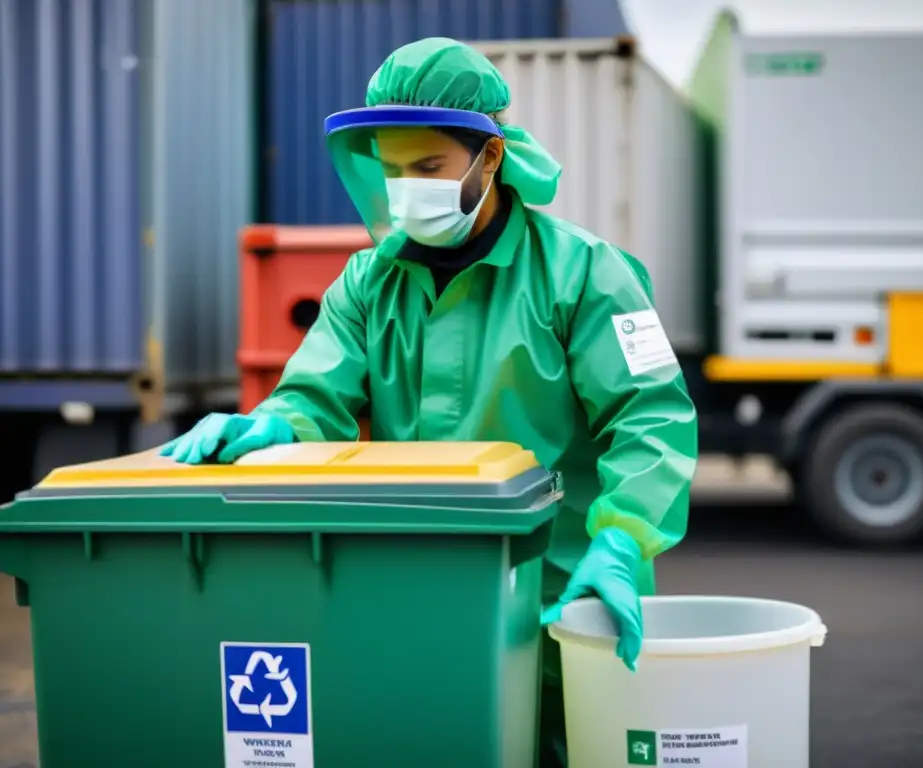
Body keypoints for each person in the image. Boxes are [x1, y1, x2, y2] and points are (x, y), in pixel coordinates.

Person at [161, 37, 697, 766]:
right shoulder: (366, 284)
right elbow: (317, 394)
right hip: (410, 587)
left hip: (562, 597)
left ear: (491, 157)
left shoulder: (585, 275)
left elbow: (651, 416)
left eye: (428, 167)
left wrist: (622, 538)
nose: (406, 188)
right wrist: (273, 424)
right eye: (390, 169)